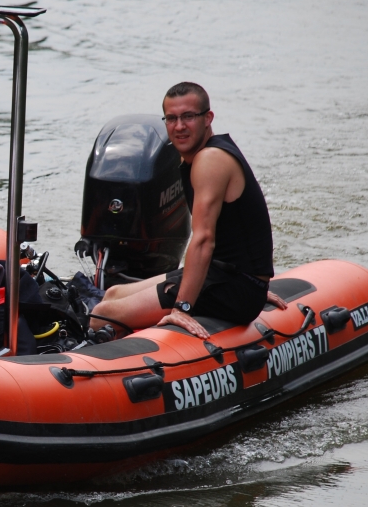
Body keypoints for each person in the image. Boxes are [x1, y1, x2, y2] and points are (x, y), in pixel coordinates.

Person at [91, 82, 287, 339]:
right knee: (112, 294)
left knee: (100, 317)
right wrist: (257, 284)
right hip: (226, 277)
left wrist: (183, 307)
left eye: (188, 117)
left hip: (233, 287)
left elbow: (203, 239)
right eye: (171, 118)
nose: (179, 126)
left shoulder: (210, 159)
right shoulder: (196, 156)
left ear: (208, 118)